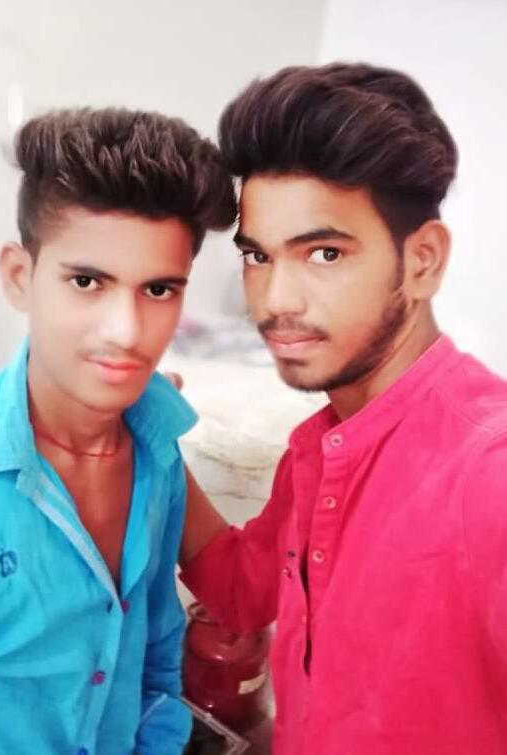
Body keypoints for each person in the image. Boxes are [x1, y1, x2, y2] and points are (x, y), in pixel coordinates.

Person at [179, 63, 507, 755]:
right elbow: (241, 591)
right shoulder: (321, 446)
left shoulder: (488, 472)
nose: (275, 300)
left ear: (422, 261)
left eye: (324, 253)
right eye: (258, 256)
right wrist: (142, 440)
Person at [0, 107, 235, 755]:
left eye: (158, 290)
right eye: (86, 281)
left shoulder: (156, 453)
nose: (126, 332)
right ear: (20, 277)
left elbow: (154, 650)